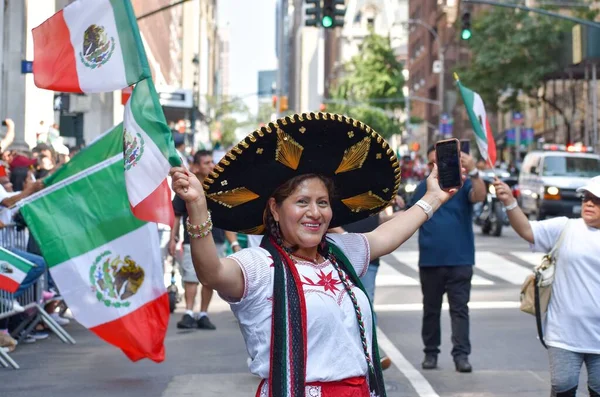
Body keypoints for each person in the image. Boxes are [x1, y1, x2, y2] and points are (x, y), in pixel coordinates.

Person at [170, 113, 465, 396]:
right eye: (302, 202)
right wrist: (197, 207)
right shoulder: (260, 265)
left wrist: (433, 197)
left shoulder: (338, 254)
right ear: (275, 208)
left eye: (323, 202)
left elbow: (383, 237)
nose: (315, 212)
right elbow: (212, 273)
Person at [493, 175, 600, 397]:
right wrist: (510, 202)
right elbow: (527, 230)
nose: (589, 203)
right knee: (563, 386)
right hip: (564, 332)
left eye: (597, 200)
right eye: (586, 198)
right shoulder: (566, 227)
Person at [408, 144, 486, 373]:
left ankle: (461, 355)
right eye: (432, 163)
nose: (436, 167)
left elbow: (479, 196)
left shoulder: (462, 184)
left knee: (460, 310)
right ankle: (430, 353)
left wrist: (473, 171)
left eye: (439, 162)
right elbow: (410, 217)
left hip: (460, 259)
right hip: (430, 260)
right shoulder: (423, 187)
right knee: (431, 309)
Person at [169, 150, 240, 330]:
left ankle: (203, 314)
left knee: (211, 278)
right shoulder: (186, 188)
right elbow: (176, 216)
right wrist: (172, 238)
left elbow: (227, 221)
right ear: (197, 167)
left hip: (216, 240)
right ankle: (188, 313)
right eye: (207, 163)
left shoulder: (220, 189)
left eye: (212, 162)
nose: (212, 166)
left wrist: (234, 243)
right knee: (191, 277)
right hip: (190, 241)